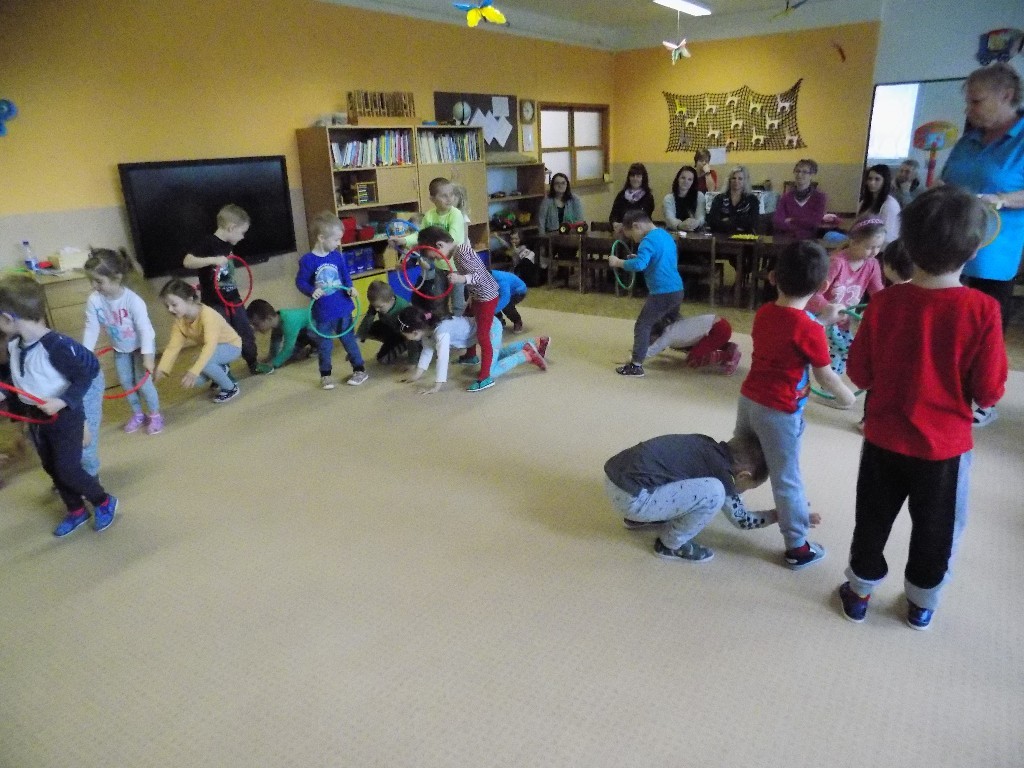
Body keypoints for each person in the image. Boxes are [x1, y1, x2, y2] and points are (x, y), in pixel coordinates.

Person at [838, 185, 1007, 630]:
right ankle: (921, 603)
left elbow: (859, 373)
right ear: (974, 251)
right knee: (937, 529)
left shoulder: (884, 302)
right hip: (944, 449)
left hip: (883, 439)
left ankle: (859, 591)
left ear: (906, 246)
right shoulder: (983, 309)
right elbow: (989, 391)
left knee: (871, 519)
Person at [733, 241, 855, 570]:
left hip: (749, 399)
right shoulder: (810, 328)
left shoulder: (764, 313)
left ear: (772, 277)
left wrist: (821, 321)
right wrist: (846, 396)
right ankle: (797, 546)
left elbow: (792, 329)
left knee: (740, 457)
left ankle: (724, 499)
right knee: (786, 478)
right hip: (779, 411)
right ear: (822, 287)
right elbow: (825, 376)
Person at [0, 275, 119, 536]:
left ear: (8, 318)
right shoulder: (15, 346)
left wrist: (64, 401)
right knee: (51, 466)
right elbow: (17, 379)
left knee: (67, 468)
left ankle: (103, 501)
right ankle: (76, 510)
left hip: (64, 416)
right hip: (37, 417)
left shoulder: (57, 346)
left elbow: (85, 375)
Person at [941, 63, 1024, 425]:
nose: (969, 109)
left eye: (976, 101)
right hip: (949, 249)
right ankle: (944, 389)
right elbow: (949, 181)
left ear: (1006, 96)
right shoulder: (969, 138)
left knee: (985, 329)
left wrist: (1002, 199)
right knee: (947, 324)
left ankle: (984, 398)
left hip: (994, 255)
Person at [604, 433, 818, 562]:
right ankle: (670, 544)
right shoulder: (723, 476)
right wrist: (778, 515)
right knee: (714, 492)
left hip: (616, 478)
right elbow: (742, 520)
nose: (742, 493)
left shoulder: (706, 446)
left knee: (679, 478)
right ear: (743, 476)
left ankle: (642, 518)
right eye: (747, 487)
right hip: (633, 499)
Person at [81, 248, 163, 435]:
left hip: (142, 347)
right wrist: (86, 352)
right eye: (91, 281)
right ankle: (138, 414)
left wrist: (148, 357)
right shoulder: (94, 300)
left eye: (98, 281)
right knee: (126, 382)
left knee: (143, 383)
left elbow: (145, 330)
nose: (93, 286)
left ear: (117, 278)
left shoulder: (133, 301)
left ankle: (155, 414)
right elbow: (91, 326)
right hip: (120, 348)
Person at [415, 227, 501, 391]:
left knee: (483, 335)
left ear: (440, 245)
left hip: (487, 297)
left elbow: (481, 275)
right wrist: (470, 296)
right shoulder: (458, 253)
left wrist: (461, 278)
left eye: (436, 256)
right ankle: (471, 355)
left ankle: (485, 376)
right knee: (466, 319)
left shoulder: (463, 252)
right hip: (477, 295)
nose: (437, 259)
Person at [396, 306, 548, 394]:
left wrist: (437, 386)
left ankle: (526, 355)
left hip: (490, 327)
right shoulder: (427, 331)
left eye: (405, 335)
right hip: (484, 329)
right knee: (494, 355)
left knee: (491, 372)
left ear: (415, 332)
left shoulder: (441, 332)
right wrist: (416, 376)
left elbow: (442, 358)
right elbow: (427, 352)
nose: (405, 338)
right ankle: (535, 342)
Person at [182, 203, 259, 374]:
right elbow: (187, 261)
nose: (243, 237)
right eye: (242, 232)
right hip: (214, 303)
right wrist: (213, 260)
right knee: (219, 338)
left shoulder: (228, 244)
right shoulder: (208, 243)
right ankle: (222, 373)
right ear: (231, 228)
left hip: (233, 298)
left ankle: (253, 363)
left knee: (245, 331)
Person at [295, 212, 368, 390]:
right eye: (336, 239)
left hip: (342, 308)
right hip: (322, 311)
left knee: (349, 340)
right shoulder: (308, 260)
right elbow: (300, 282)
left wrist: (350, 288)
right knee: (324, 345)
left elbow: (345, 276)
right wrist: (311, 291)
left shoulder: (337, 256)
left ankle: (359, 370)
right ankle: (325, 375)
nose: (338, 243)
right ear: (321, 238)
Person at [607, 210, 684, 377]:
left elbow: (639, 265)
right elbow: (659, 259)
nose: (635, 240)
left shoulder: (647, 240)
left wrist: (619, 262)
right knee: (671, 325)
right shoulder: (664, 235)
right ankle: (697, 345)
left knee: (643, 325)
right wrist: (638, 257)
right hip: (677, 290)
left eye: (632, 236)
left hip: (662, 292)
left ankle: (636, 365)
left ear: (636, 226)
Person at [806, 219, 886, 375]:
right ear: (853, 242)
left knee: (842, 353)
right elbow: (815, 293)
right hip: (822, 318)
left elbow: (878, 294)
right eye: (869, 247)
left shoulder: (872, 265)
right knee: (820, 353)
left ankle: (830, 382)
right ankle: (817, 380)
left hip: (844, 321)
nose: (874, 252)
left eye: (878, 247)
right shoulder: (837, 262)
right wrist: (828, 308)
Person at [155, 279, 242, 404]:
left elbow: (210, 345)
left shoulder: (208, 315)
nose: (170, 309)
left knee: (203, 365)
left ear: (189, 300)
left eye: (174, 305)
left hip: (231, 346)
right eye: (167, 306)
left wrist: (194, 371)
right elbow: (173, 347)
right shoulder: (179, 322)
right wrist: (162, 368)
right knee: (195, 381)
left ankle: (231, 389)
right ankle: (221, 369)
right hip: (214, 350)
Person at [645, 315, 741, 375]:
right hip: (720, 325)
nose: (652, 342)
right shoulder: (672, 329)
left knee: (693, 360)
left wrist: (637, 358)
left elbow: (653, 350)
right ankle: (728, 347)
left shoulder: (668, 336)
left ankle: (729, 355)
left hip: (719, 329)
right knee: (698, 346)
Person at [247, 298, 319, 371]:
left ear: (269, 319)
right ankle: (309, 343)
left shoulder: (288, 323)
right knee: (291, 355)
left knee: (308, 335)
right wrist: (272, 357)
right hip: (304, 330)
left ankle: (318, 347)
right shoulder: (277, 320)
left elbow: (288, 349)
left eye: (256, 324)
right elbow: (275, 341)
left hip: (318, 328)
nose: (255, 329)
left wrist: (273, 364)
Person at [355, 281, 413, 365]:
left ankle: (403, 345)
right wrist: (357, 339)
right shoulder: (378, 304)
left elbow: (412, 333)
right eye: (374, 306)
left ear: (392, 299)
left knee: (383, 359)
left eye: (380, 307)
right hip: (391, 328)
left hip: (403, 335)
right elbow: (367, 321)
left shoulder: (403, 309)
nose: (376, 309)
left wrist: (412, 361)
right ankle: (390, 342)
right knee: (369, 329)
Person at [772, 159, 828, 240]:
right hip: (787, 240)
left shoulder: (819, 197)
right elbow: (777, 221)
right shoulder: (786, 197)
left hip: (809, 241)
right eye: (797, 171)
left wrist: (792, 220)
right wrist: (801, 225)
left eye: (804, 172)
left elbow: (814, 222)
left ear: (812, 175)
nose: (799, 174)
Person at [706, 166, 760, 235]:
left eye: (740, 179)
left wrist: (728, 220)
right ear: (729, 180)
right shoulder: (719, 198)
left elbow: (753, 222)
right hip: (721, 236)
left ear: (745, 181)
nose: (736, 181)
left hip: (745, 237)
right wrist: (740, 222)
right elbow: (712, 222)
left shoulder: (752, 199)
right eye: (734, 178)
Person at [857, 164, 900, 244]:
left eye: (877, 179)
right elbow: (857, 226)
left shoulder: (890, 205)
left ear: (885, 181)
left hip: (882, 246)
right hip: (863, 242)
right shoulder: (864, 202)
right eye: (870, 179)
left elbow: (887, 236)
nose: (872, 182)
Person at [609, 163, 656, 231]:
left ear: (643, 178)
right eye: (632, 176)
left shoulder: (648, 197)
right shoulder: (621, 195)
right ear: (629, 178)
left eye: (638, 176)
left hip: (641, 232)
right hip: (622, 231)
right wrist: (615, 224)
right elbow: (613, 215)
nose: (635, 179)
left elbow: (645, 218)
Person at [663, 165, 707, 232]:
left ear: (693, 182)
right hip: (675, 232)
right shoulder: (668, 198)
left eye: (690, 179)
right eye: (683, 178)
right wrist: (680, 225)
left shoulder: (700, 196)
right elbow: (669, 219)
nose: (686, 181)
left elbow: (701, 217)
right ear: (678, 179)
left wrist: (696, 223)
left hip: (695, 232)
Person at [492, 269, 528, 333]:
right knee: (490, 302)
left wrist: (492, 312)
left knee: (506, 306)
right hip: (503, 291)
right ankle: (499, 321)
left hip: (519, 291)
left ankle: (517, 321)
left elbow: (505, 299)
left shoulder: (501, 280)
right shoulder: (486, 277)